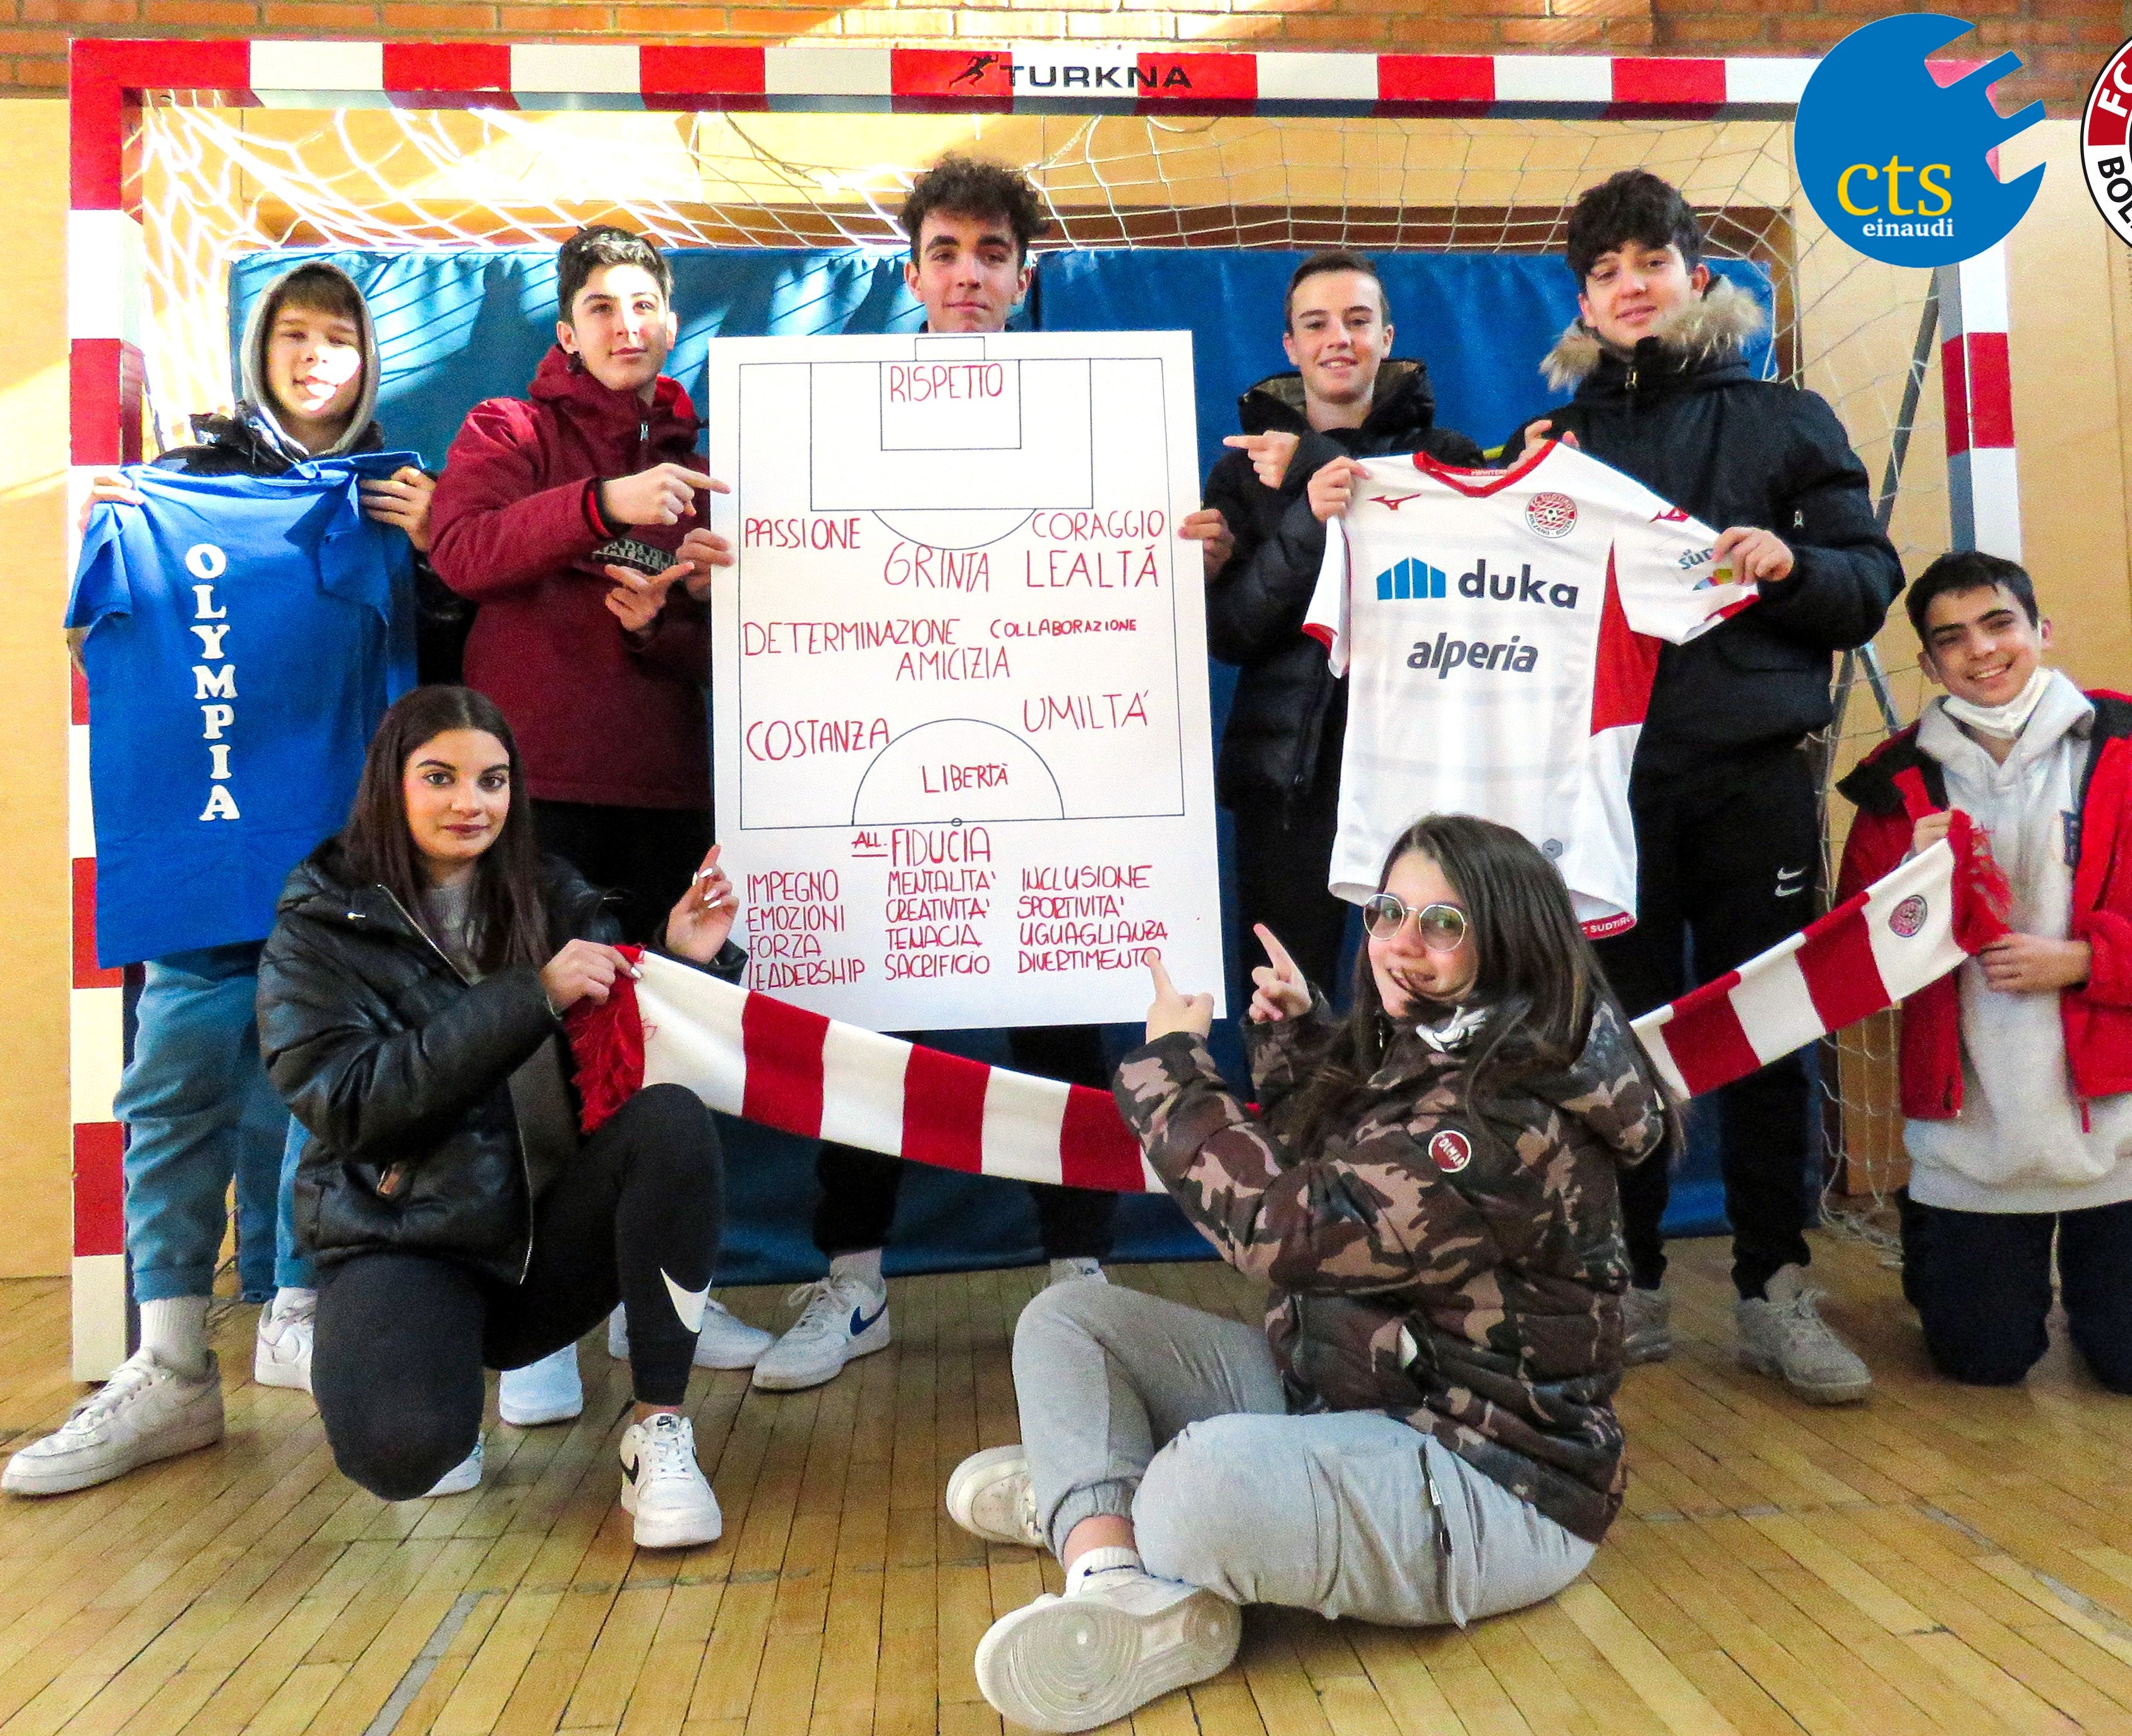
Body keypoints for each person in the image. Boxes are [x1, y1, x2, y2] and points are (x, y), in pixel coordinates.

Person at [945, 815, 1671, 1732]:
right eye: (1387, 911)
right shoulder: (1455, 1042)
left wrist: (1173, 1070)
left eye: (1443, 925)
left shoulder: (1510, 1113)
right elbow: (1343, 1175)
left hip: (1499, 1484)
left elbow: (1284, 1230)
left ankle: (1105, 1503)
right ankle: (1110, 1566)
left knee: (1196, 1487)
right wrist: (1299, 1043)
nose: (1401, 942)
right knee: (1067, 1317)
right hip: (1348, 1397)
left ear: (1510, 940)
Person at [8, 263, 438, 1502]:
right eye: (293, 336)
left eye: (339, 337)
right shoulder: (174, 493)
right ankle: (168, 1363)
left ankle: (304, 1301)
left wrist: (436, 537)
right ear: (259, 353)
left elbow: (460, 650)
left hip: (350, 866)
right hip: (204, 853)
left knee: (338, 1094)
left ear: (368, 357)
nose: (315, 357)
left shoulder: (392, 497)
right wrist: (102, 521)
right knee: (177, 1090)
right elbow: (88, 628)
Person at [1497, 169, 1903, 1401]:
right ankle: (1624, 1285)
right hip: (1603, 789)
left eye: (1649, 263)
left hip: (1751, 781)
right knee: (1609, 1040)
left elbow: (1868, 578)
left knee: (1768, 1033)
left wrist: (1789, 565)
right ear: (1584, 299)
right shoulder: (1555, 446)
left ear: (1696, 277)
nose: (1629, 286)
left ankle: (1773, 1284)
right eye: (1604, 271)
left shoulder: (1785, 418)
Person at [753, 154, 1122, 1396]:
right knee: (865, 1001)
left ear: (1025, 274)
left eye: (992, 254)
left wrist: (1179, 542)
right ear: (912, 270)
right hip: (878, 746)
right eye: (947, 252)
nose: (968, 274)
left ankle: (1079, 1268)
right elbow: (796, 557)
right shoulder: (834, 407)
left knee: (1065, 999)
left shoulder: (1086, 404)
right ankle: (853, 1278)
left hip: (1040, 739)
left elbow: (1118, 567)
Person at [249, 685, 746, 1545]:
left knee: (670, 1122)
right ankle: (429, 1376)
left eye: (493, 781)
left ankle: (658, 1426)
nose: (468, 803)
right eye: (439, 777)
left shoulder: (551, 893)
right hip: (410, 1239)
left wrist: (684, 961)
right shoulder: (321, 923)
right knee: (403, 1456)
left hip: (545, 1244)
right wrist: (531, 994)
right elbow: (351, 1105)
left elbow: (622, 1047)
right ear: (389, 785)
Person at [430, 226, 767, 1422]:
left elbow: (705, 657)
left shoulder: (708, 463)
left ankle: (655, 1291)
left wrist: (659, 621)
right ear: (567, 330)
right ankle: (538, 1326)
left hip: (669, 794)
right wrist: (598, 503)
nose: (629, 322)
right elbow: (459, 550)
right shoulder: (507, 433)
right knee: (536, 1060)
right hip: (539, 800)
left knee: (665, 1045)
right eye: (603, 305)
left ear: (672, 323)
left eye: (647, 303)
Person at [1836, 552, 2132, 1395]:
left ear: (2041, 631)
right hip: (1974, 1132)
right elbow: (1858, 962)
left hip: (2123, 1127)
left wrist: (2086, 960)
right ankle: (1944, 1264)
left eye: (1999, 625)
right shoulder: (1896, 790)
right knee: (1983, 1365)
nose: (1981, 651)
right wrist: (1903, 892)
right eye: (1951, 638)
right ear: (1928, 664)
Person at [1180, 249, 1484, 993]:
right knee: (1287, 997)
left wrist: (1317, 464)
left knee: (1429, 992)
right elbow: (1231, 636)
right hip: (1287, 778)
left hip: (1423, 771)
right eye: (1316, 324)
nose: (1338, 339)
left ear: (1387, 335)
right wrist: (1310, 524)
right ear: (1291, 346)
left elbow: (1471, 608)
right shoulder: (1240, 471)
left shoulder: (1451, 459)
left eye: (1357, 320)